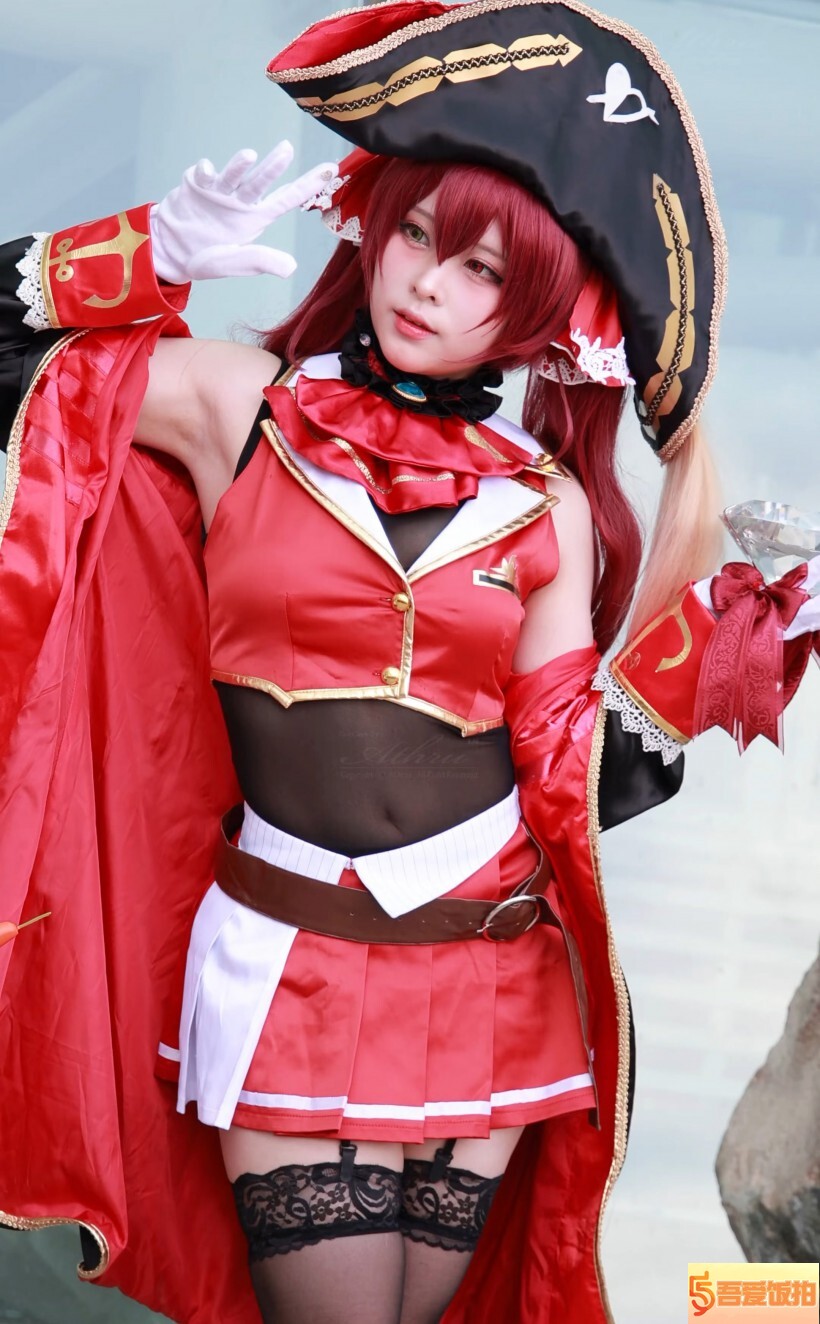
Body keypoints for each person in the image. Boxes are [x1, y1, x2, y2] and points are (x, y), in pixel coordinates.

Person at [0, 4, 817, 1324]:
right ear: (373, 226)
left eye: (485, 270)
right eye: (420, 235)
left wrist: (735, 635)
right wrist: (145, 249)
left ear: (542, 312)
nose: (429, 283)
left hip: (491, 962)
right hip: (289, 956)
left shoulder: (545, 502)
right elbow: (15, 376)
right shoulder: (239, 407)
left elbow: (572, 775)